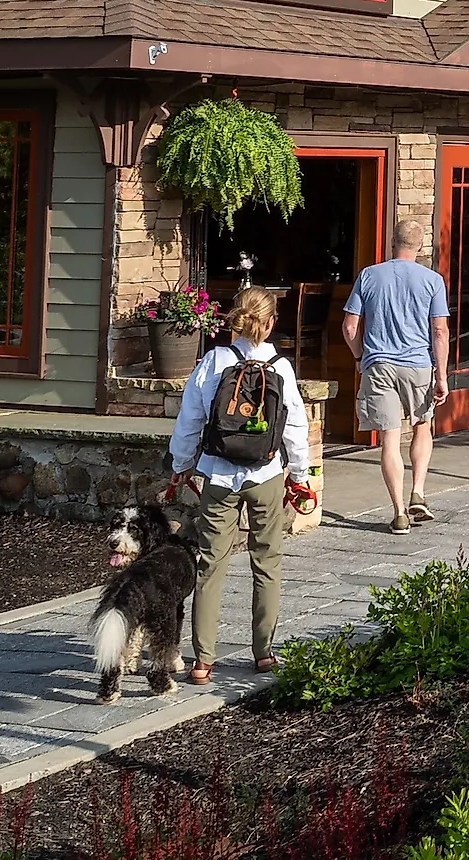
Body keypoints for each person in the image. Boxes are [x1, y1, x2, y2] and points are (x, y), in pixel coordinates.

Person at [169, 286, 311, 679]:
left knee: (211, 563)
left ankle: (203, 659)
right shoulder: (281, 366)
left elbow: (190, 419)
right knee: (267, 562)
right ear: (270, 322)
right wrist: (300, 475)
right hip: (265, 474)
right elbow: (295, 428)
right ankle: (264, 652)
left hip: (217, 473)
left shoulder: (214, 361)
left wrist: (181, 464)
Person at [342, 217, 449, 534]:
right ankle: (418, 490)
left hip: (378, 366)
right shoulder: (432, 280)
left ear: (393, 241)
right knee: (422, 426)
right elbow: (439, 331)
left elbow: (349, 327)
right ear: (420, 245)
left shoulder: (369, 276)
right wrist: (441, 375)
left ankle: (399, 512)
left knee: (389, 439)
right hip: (418, 366)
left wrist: (361, 356)